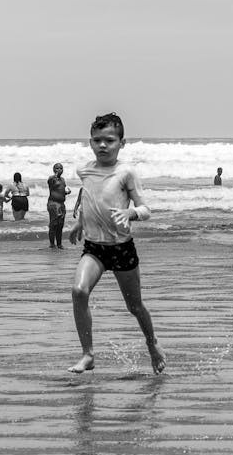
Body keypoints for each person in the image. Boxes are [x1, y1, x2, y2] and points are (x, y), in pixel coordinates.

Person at [66, 112, 164, 375]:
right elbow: (89, 195)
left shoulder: (126, 172)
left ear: (122, 142)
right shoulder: (85, 170)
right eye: (97, 140)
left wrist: (131, 213)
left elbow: (145, 209)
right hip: (94, 248)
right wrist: (79, 222)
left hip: (121, 248)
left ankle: (152, 344)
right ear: (90, 142)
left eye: (109, 140)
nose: (102, 145)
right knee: (78, 291)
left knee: (134, 306)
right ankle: (88, 354)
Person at [47, 163, 72, 249]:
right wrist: (55, 176)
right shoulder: (52, 179)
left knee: (60, 225)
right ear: (54, 170)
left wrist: (66, 192)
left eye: (61, 168)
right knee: (53, 224)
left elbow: (60, 191)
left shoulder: (63, 180)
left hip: (61, 204)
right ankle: (52, 244)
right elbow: (50, 183)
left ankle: (59, 244)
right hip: (53, 203)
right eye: (57, 168)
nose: (59, 170)